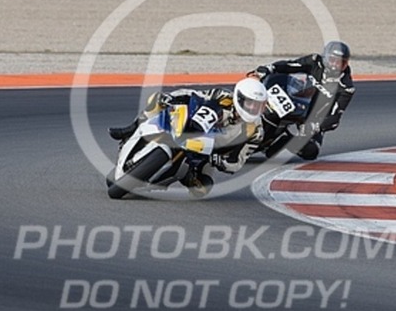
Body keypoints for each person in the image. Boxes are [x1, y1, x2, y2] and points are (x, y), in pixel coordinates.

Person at [108, 77, 268, 195]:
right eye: (250, 103)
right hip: (192, 127)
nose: (253, 108)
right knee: (157, 100)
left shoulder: (256, 131)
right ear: (239, 98)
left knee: (202, 188)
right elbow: (193, 94)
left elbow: (238, 161)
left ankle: (183, 174)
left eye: (258, 105)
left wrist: (220, 162)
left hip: (209, 152)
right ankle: (130, 130)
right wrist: (171, 97)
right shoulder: (222, 96)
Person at [250, 40, 355, 160]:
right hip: (296, 101)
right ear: (325, 58)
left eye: (341, 63)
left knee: (311, 151)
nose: (335, 65)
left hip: (313, 119)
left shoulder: (346, 88)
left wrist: (316, 126)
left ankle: (285, 141)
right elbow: (291, 65)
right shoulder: (315, 61)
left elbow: (335, 118)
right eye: (333, 60)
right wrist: (269, 68)